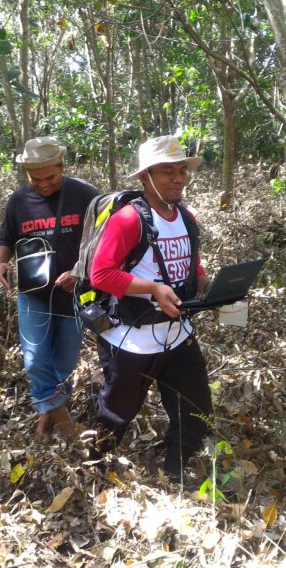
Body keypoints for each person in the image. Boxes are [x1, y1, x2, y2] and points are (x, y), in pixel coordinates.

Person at [88, 135, 213, 482]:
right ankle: (95, 470)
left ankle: (175, 470)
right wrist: (154, 289)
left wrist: (207, 285)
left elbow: (192, 263)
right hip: (132, 340)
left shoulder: (185, 217)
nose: (177, 179)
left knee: (196, 410)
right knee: (116, 414)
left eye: (182, 171)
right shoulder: (129, 219)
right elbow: (101, 274)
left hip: (178, 335)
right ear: (145, 177)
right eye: (166, 172)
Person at [0, 136, 98, 443]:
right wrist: (0, 263)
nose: (43, 184)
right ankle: (64, 421)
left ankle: (45, 418)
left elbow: (105, 242)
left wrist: (79, 271)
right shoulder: (19, 201)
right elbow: (6, 237)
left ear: (62, 167)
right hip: (33, 291)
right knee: (36, 360)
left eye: (50, 177)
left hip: (74, 293)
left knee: (63, 365)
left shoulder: (86, 195)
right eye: (35, 178)